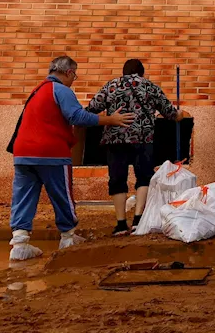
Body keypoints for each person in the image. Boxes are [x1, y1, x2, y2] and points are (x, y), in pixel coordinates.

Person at [8, 56, 134, 261]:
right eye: (74, 75)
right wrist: (110, 119)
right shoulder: (61, 90)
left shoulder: (37, 90)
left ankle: (20, 244)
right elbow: (77, 117)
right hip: (50, 152)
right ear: (68, 72)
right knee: (61, 194)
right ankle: (67, 237)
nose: (74, 79)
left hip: (23, 153)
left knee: (23, 196)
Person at [85, 59, 191, 235]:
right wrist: (179, 115)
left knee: (117, 179)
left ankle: (120, 223)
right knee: (144, 177)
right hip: (143, 139)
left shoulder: (111, 85)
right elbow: (170, 113)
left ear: (123, 71)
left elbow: (91, 109)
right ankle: (138, 220)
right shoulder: (150, 87)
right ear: (142, 72)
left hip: (115, 140)